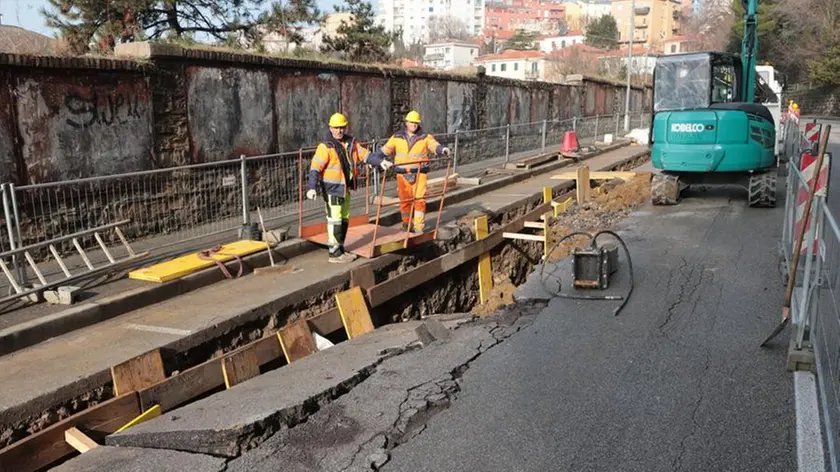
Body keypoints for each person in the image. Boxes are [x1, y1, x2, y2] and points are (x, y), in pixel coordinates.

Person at [307, 112, 392, 263]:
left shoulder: (351, 144)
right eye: (336, 128)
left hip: (345, 188)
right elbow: (315, 168)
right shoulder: (326, 147)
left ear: (345, 127)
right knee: (335, 219)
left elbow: (365, 155)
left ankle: (340, 249)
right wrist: (311, 187)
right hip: (332, 188)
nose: (339, 131)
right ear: (330, 128)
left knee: (344, 219)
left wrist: (380, 162)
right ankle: (334, 253)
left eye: (341, 127)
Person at [371, 110, 450, 233]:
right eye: (411, 122)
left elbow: (433, 145)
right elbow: (385, 150)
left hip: (419, 174)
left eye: (416, 123)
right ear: (406, 123)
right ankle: (406, 224)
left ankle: (419, 227)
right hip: (402, 175)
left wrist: (442, 149)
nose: (414, 125)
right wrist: (374, 159)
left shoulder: (425, 137)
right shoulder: (397, 137)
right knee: (405, 201)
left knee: (419, 200)